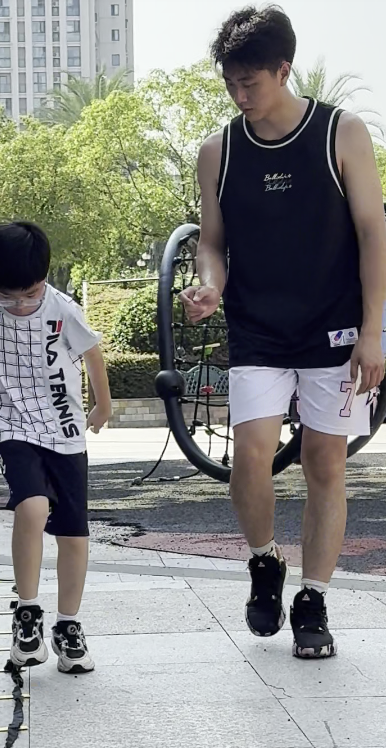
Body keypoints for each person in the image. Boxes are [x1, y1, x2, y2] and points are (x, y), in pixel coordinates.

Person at [181, 5, 386, 659]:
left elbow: (373, 233)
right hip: (257, 328)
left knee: (325, 462)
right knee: (250, 454)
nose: (239, 96)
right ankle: (264, 558)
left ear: (283, 70)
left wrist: (374, 331)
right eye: (230, 84)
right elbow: (211, 243)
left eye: (250, 83)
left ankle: (313, 598)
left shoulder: (341, 132)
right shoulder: (217, 151)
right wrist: (208, 284)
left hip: (334, 327)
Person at [0, 222, 112, 674]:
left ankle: (68, 625)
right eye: (8, 296)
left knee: (73, 533)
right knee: (32, 507)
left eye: (30, 294)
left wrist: (103, 404)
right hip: (8, 421)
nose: (20, 305)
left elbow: (92, 353)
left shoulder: (61, 307)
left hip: (63, 426)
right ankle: (27, 616)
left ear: (45, 278)